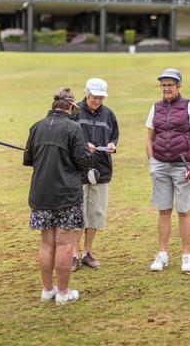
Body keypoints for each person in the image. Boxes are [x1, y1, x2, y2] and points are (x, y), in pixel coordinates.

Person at [24, 88, 91, 304]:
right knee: (63, 244)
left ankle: (47, 290)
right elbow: (83, 162)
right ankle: (62, 293)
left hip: (41, 194)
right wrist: (86, 151)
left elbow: (29, 159)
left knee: (46, 243)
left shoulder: (36, 127)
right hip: (66, 195)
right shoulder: (74, 128)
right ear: (70, 107)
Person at [145, 68, 190, 273]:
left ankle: (187, 255)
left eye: (170, 84)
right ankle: (162, 254)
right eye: (164, 84)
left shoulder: (189, 106)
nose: (166, 88)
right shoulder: (155, 108)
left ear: (178, 86)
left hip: (183, 165)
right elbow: (149, 137)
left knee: (184, 211)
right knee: (163, 210)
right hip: (160, 165)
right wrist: (152, 161)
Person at [71, 78, 119, 271]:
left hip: (101, 169)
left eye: (100, 98)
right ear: (86, 93)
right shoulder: (74, 112)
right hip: (77, 170)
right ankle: (73, 253)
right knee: (77, 213)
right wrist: (83, 147)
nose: (97, 101)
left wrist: (112, 146)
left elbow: (114, 136)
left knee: (96, 213)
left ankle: (87, 252)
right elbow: (67, 139)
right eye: (94, 97)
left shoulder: (109, 114)